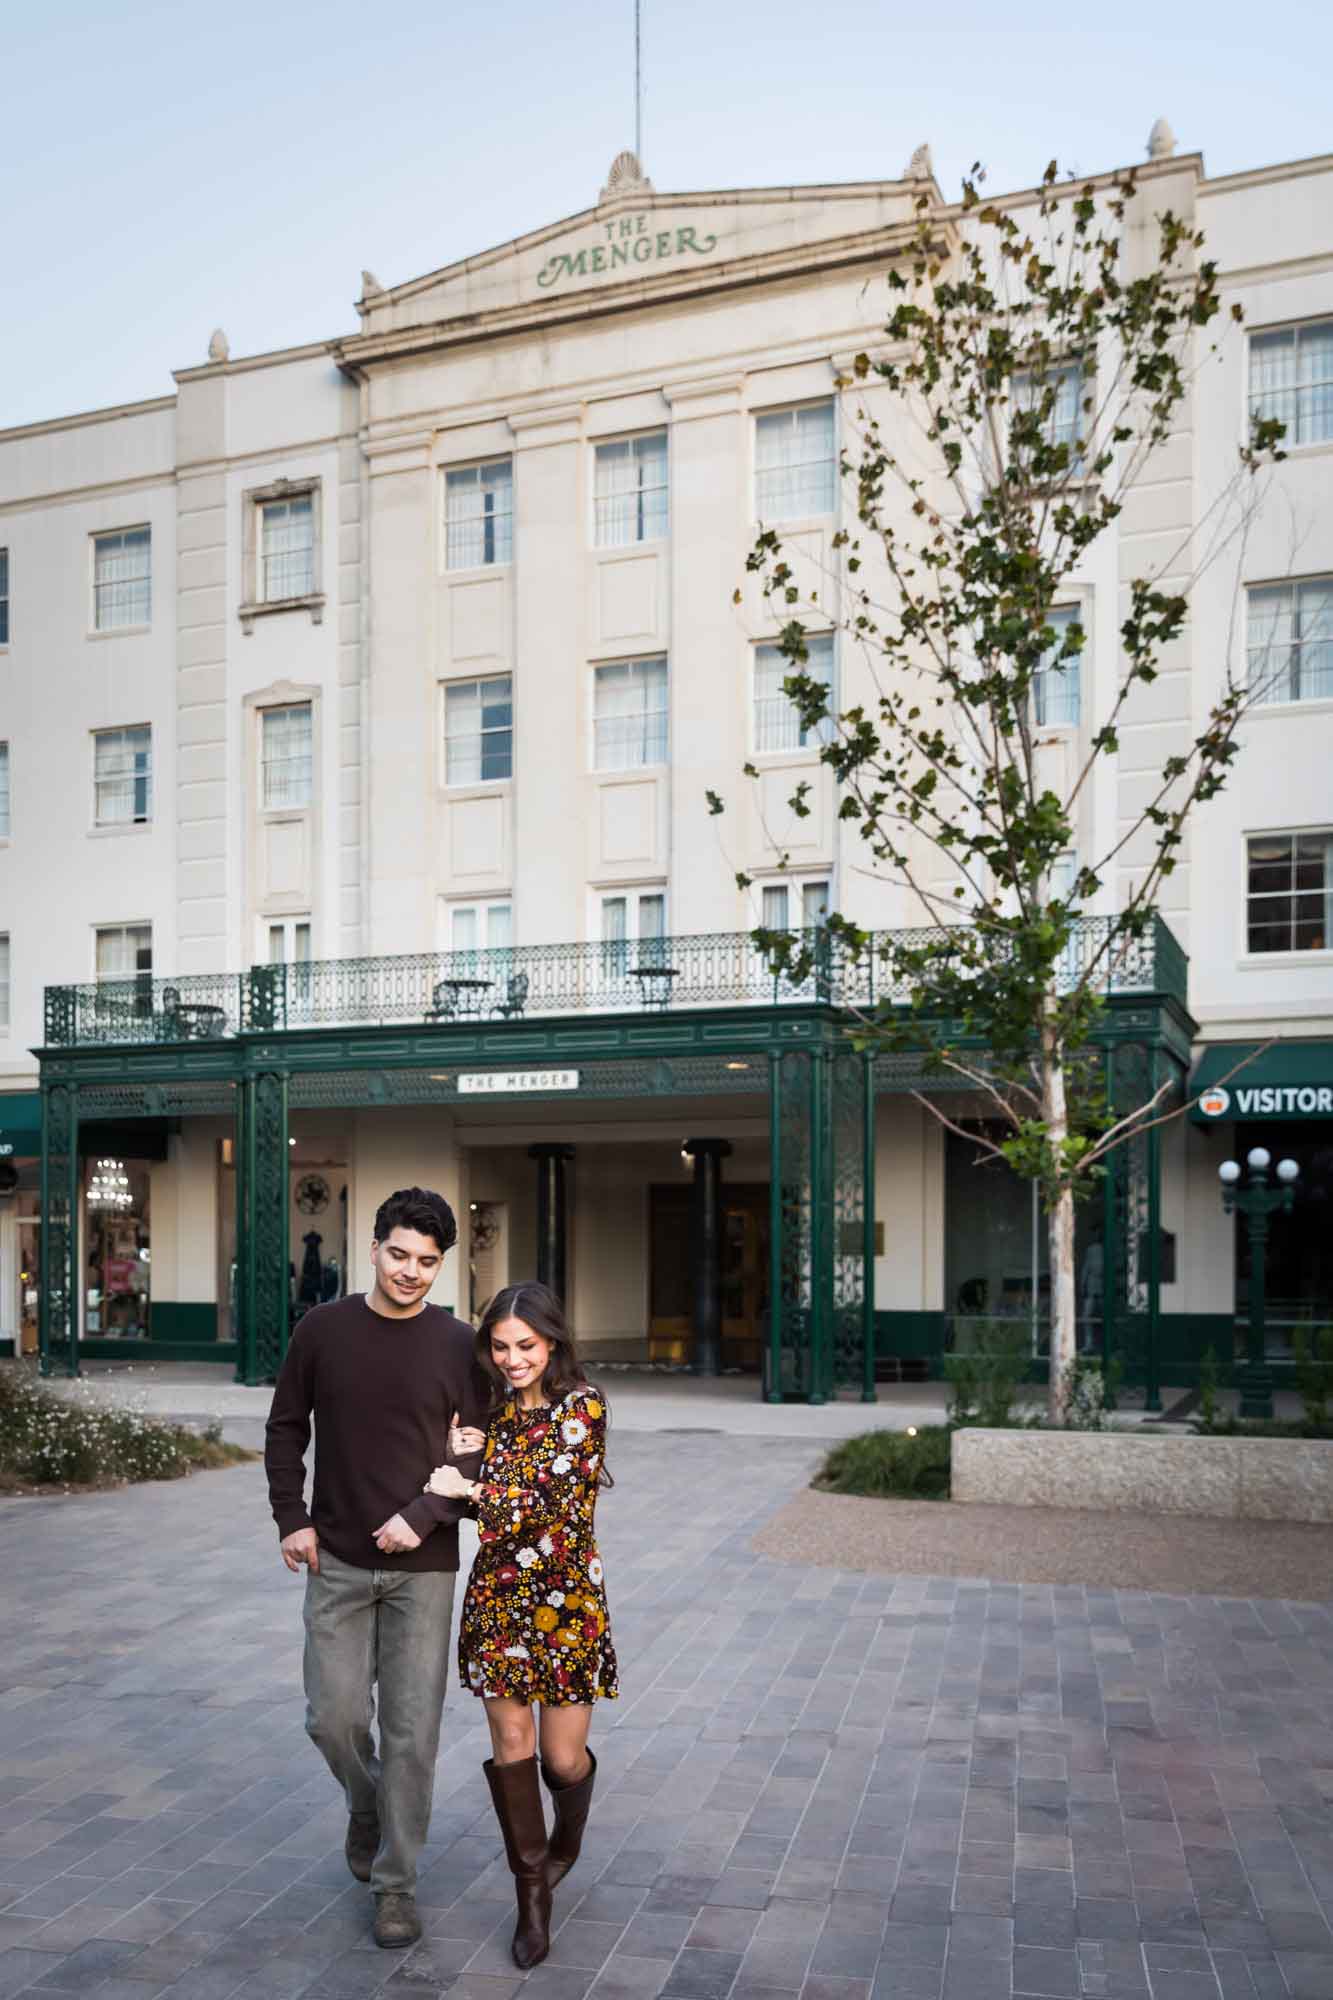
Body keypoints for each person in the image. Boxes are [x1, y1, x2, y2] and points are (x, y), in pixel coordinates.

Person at [264, 1186, 487, 1952]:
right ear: (373, 1247)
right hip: (335, 1560)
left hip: (424, 1569)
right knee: (333, 1720)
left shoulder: (460, 1344)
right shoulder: (322, 1330)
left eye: (428, 1262)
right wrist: (291, 1518)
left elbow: (478, 1454)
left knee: (412, 1735)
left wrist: (420, 1517)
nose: (411, 1272)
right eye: (400, 1255)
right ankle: (366, 1806)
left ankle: (395, 1884)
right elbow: (286, 1428)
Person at [422, 1282, 618, 1971]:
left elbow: (553, 1502)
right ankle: (531, 1897)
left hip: (566, 1605)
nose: (511, 1359)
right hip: (499, 1600)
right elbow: (478, 1501)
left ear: (553, 1343)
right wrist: (462, 1456)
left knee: (561, 1759)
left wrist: (469, 1487)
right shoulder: (488, 1412)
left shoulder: (583, 1406)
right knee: (511, 1741)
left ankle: (566, 1840)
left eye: (525, 1346)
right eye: (500, 1346)